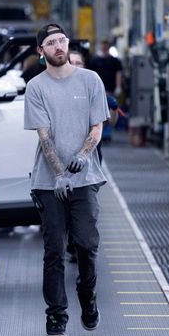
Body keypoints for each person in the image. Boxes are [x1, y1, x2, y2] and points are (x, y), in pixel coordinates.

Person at [24, 23, 109, 336]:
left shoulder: (91, 80)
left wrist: (85, 155)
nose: (59, 46)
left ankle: (88, 299)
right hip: (49, 183)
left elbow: (96, 127)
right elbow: (44, 136)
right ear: (41, 51)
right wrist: (58, 174)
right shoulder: (36, 87)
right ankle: (56, 316)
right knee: (54, 252)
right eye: (51, 42)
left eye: (62, 40)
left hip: (85, 180)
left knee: (87, 246)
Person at [65, 50, 121, 264]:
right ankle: (72, 240)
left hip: (90, 159)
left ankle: (82, 244)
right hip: (63, 158)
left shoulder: (93, 89)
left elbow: (112, 123)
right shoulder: (55, 89)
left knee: (87, 205)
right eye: (73, 62)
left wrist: (113, 108)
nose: (76, 66)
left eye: (80, 62)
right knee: (67, 203)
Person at [89, 41, 123, 142]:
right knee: (99, 112)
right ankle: (100, 132)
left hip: (110, 89)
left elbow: (118, 73)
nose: (104, 47)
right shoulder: (95, 60)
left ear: (108, 46)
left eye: (105, 45)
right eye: (102, 45)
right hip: (98, 91)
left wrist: (118, 86)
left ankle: (107, 132)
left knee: (110, 111)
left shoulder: (114, 61)